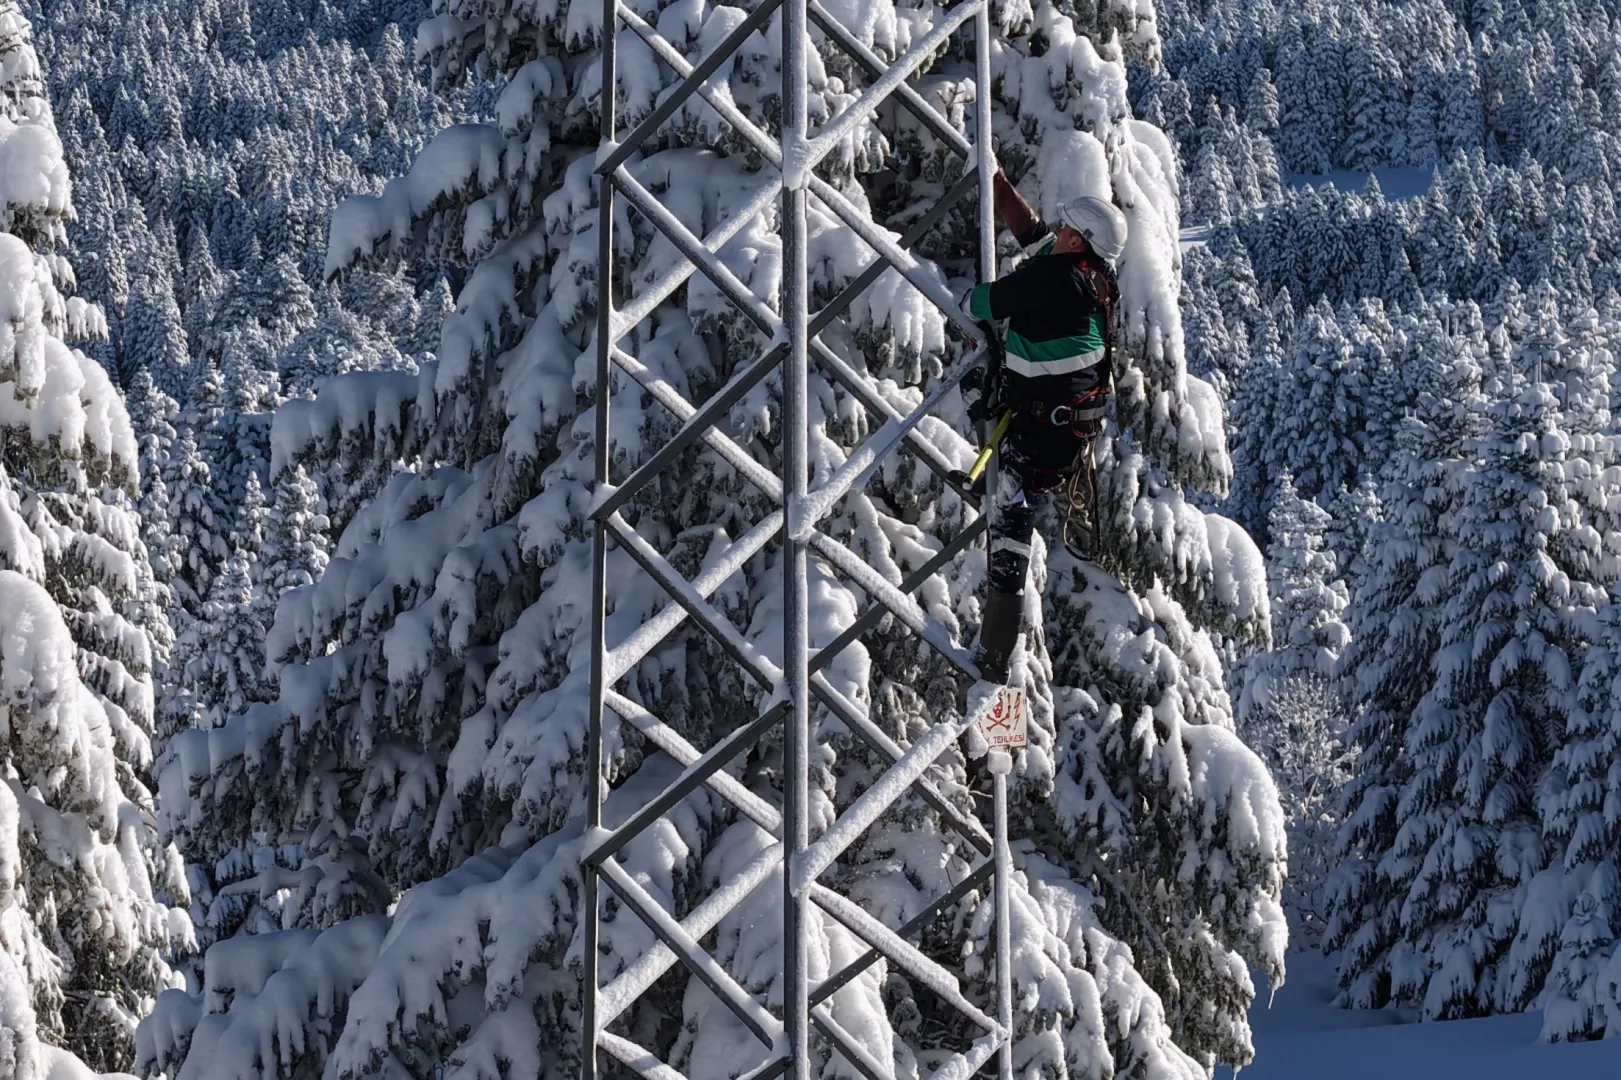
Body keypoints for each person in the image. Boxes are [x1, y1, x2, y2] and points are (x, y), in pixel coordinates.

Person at [959, 165, 1127, 684]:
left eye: (1064, 229)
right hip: (1068, 434)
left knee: (1010, 528)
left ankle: (995, 661)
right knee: (1014, 509)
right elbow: (1034, 235)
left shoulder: (1053, 277)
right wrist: (997, 184)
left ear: (1077, 239)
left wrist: (970, 303)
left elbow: (981, 303)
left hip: (1039, 437)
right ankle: (997, 655)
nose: (1056, 232)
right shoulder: (1098, 281)